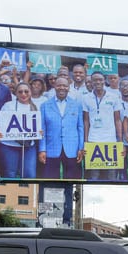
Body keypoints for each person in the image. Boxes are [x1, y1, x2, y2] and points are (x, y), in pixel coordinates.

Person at [39, 77, 84, 226]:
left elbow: (80, 128)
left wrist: (80, 148)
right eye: (59, 85)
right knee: (48, 184)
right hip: (52, 149)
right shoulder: (45, 105)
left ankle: (67, 219)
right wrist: (42, 149)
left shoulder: (76, 105)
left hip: (71, 149)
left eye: (65, 85)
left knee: (69, 185)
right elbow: (42, 129)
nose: (62, 88)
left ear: (69, 87)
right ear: (54, 87)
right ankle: (45, 218)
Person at [82, 71, 122, 181]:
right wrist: (86, 142)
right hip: (93, 140)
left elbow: (118, 120)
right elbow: (86, 121)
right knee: (94, 175)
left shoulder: (113, 97)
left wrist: (120, 141)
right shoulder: (86, 98)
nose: (97, 82)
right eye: (94, 80)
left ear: (104, 81)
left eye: (100, 79)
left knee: (111, 175)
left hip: (110, 140)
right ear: (91, 82)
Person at [0, 82, 42, 178]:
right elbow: (0, 123)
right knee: (10, 174)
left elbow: (39, 125)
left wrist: (40, 131)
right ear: (16, 93)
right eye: (20, 92)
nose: (23, 94)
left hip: (29, 146)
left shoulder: (36, 107)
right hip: (9, 145)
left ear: (30, 92)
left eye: (26, 91)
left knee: (29, 174)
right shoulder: (8, 105)